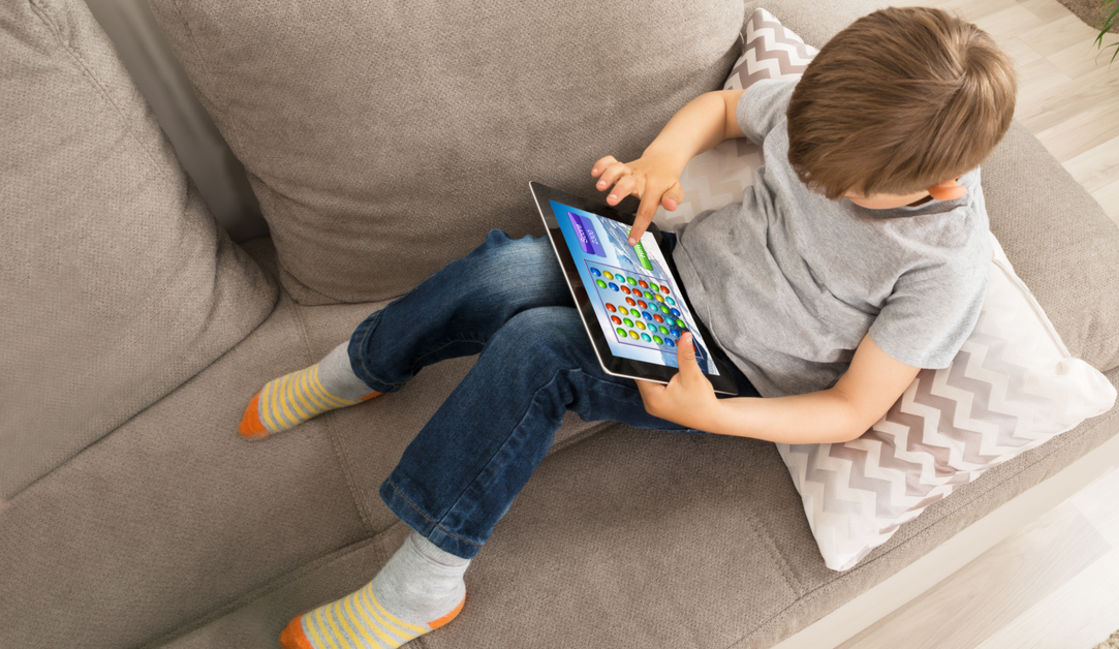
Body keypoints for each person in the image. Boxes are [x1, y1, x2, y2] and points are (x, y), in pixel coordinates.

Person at [245, 7, 1017, 648]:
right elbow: (722, 110)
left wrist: (714, 413)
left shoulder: (944, 266)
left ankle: (423, 585)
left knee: (537, 350)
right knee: (508, 267)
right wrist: (661, 161)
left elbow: (853, 409)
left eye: (839, 189)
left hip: (722, 371)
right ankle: (365, 365)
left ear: (937, 184)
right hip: (674, 273)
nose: (811, 180)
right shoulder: (837, 109)